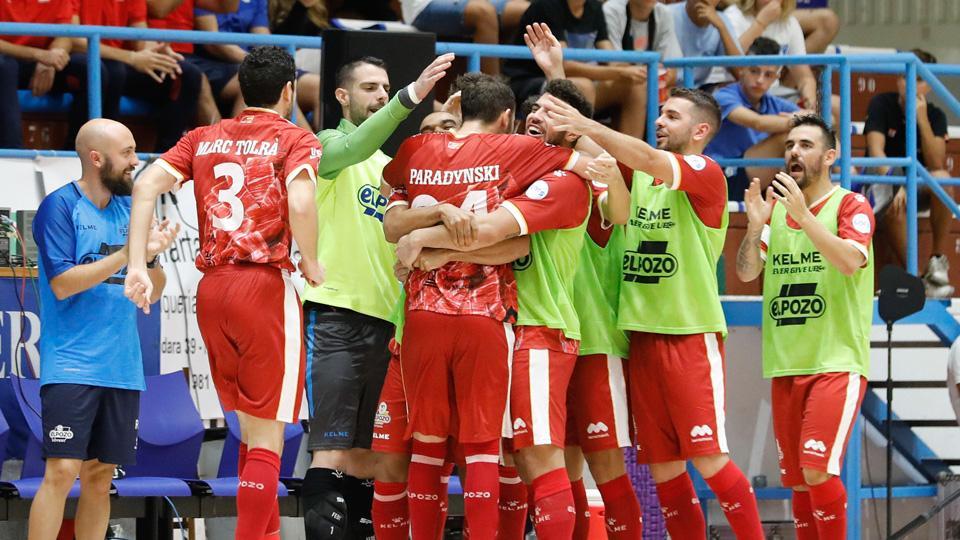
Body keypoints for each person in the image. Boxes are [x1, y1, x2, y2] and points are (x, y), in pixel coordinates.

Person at [541, 86, 765, 539]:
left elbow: (629, 150)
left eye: (673, 116)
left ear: (700, 130)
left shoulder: (706, 171)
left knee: (710, 460)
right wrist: (558, 82)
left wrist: (585, 123)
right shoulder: (637, 175)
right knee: (664, 471)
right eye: (660, 113)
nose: (661, 121)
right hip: (639, 338)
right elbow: (582, 141)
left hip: (689, 334)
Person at [124, 46, 323, 540]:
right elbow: (300, 200)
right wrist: (312, 259)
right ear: (287, 92)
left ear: (242, 87)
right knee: (267, 440)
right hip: (263, 288)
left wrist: (137, 264)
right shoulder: (295, 137)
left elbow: (146, 184)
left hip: (211, 291)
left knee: (248, 428)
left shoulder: (203, 137)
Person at [381, 72, 585, 540]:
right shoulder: (515, 153)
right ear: (508, 117)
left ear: (457, 110)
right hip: (484, 316)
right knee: (483, 448)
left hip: (421, 313)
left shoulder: (415, 148)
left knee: (428, 445)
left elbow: (391, 208)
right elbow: (514, 244)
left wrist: (423, 236)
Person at [298, 53, 453, 540]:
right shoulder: (327, 147)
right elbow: (354, 147)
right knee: (332, 450)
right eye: (369, 88)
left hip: (390, 326)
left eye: (386, 87)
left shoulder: (393, 169)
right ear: (342, 97)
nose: (381, 95)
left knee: (371, 457)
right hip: (337, 314)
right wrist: (410, 97)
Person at [28, 119, 176, 540]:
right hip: (72, 364)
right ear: (97, 159)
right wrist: (129, 254)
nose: (136, 161)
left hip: (122, 365)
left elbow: (157, 283)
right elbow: (62, 283)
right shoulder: (59, 207)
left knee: (100, 475)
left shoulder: (132, 209)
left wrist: (147, 266)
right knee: (61, 471)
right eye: (127, 153)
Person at [736, 114, 875, 539]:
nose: (794, 152)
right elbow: (745, 273)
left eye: (806, 145)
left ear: (830, 156)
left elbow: (851, 260)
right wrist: (756, 225)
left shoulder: (851, 205)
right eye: (790, 145)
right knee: (797, 482)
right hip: (785, 364)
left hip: (834, 361)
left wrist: (804, 215)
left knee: (817, 471)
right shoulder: (777, 213)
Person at [863, 49, 955, 297]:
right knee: (895, 202)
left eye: (920, 80)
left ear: (930, 86)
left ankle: (936, 260)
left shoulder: (935, 115)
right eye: (907, 77)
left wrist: (921, 119)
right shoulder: (882, 103)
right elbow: (875, 151)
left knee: (944, 180)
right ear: (898, 79)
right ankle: (915, 277)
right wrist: (897, 181)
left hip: (919, 186)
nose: (911, 84)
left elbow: (937, 162)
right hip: (884, 181)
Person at [503, 0, 650, 139]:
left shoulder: (595, 8)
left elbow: (609, 55)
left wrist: (631, 71)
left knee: (635, 85)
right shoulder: (547, 5)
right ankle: (582, 154)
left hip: (578, 82)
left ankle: (629, 161)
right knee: (582, 86)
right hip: (528, 80)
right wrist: (618, 72)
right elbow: (563, 65)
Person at [73, 0, 203, 152]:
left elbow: (140, 38)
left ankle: (166, 158)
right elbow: (74, 40)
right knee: (113, 72)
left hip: (122, 61)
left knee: (185, 74)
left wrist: (156, 50)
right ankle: (98, 152)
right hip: (88, 61)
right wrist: (131, 57)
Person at [194, 0, 322, 130]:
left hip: (252, 61)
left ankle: (320, 146)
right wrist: (255, 61)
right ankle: (235, 146)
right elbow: (213, 43)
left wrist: (269, 62)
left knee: (318, 86)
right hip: (214, 63)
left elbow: (262, 36)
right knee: (256, 79)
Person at [705, 37, 803, 199]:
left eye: (768, 75)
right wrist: (797, 120)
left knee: (814, 138)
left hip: (755, 180)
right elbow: (757, 123)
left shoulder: (773, 102)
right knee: (787, 139)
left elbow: (816, 120)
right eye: (754, 71)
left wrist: (806, 117)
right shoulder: (723, 96)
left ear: (776, 78)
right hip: (722, 174)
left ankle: (844, 184)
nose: (759, 80)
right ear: (742, 68)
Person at [0, 0, 103, 150]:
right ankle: (13, 153)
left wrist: (54, 56)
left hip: (41, 61)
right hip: (9, 59)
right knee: (4, 65)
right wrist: (38, 55)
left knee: (90, 68)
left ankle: (81, 153)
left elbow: (66, 33)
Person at [723, 0, 818, 108]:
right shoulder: (733, 16)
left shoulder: (790, 22)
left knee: (834, 107)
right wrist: (761, 23)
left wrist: (809, 100)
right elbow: (733, 63)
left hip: (773, 94)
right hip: (737, 92)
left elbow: (804, 77)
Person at [398, 0, 529, 75]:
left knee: (529, 10)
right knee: (483, 13)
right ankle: (492, 98)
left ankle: (519, 87)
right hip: (424, 5)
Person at [602, 0, 683, 92]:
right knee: (638, 90)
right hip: (613, 83)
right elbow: (614, 65)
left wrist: (662, 76)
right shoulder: (612, 10)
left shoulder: (664, 13)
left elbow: (671, 70)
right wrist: (651, 74)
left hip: (649, 84)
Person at [667, 0, 742, 88]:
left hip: (698, 91)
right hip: (668, 88)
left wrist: (722, 28)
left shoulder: (721, 20)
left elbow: (741, 73)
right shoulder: (667, 14)